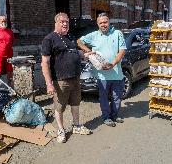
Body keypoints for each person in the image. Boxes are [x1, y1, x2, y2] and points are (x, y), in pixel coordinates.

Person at [41, 13, 91, 143]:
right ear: (56, 23)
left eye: (67, 22)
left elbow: (75, 51)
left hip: (75, 77)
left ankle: (76, 126)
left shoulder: (70, 36)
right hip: (60, 80)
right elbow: (45, 62)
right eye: (62, 21)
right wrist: (49, 83)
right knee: (60, 107)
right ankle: (61, 130)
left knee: (75, 103)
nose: (65, 24)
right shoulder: (49, 39)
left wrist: (86, 54)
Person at [77, 13, 126, 127]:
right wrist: (88, 51)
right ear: (97, 24)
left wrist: (113, 63)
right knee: (104, 97)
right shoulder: (94, 35)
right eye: (101, 23)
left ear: (109, 22)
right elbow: (79, 41)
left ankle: (114, 115)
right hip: (101, 75)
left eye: (105, 22)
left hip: (116, 73)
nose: (103, 24)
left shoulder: (117, 33)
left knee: (117, 96)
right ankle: (106, 117)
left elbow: (122, 50)